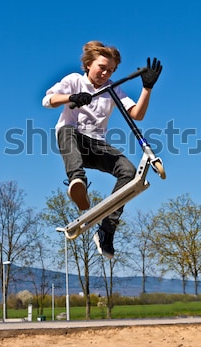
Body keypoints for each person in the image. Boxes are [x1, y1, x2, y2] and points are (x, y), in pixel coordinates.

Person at [42, 41, 162, 259]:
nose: (106, 73)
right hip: (73, 142)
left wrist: (147, 89)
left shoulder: (112, 88)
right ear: (88, 64)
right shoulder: (74, 80)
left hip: (97, 145)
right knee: (66, 130)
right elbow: (47, 100)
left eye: (112, 70)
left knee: (128, 171)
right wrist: (71, 97)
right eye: (102, 67)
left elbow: (137, 114)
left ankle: (107, 230)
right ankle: (77, 182)